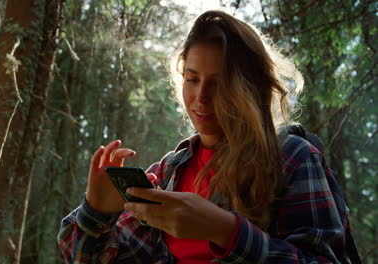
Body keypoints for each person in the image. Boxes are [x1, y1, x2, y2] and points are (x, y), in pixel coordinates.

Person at [57, 10, 352, 263]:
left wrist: (226, 231)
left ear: (250, 88)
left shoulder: (292, 158)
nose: (201, 98)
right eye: (192, 79)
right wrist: (96, 211)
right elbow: (86, 257)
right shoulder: (168, 172)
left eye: (220, 83)